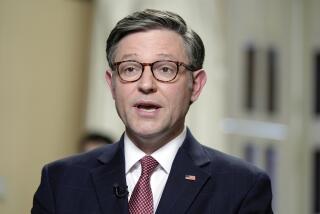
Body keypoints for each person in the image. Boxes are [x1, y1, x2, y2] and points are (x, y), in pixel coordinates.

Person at [31, 9, 273, 214]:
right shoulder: (60, 181)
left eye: (166, 69)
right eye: (130, 69)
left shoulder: (243, 187)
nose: (146, 85)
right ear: (111, 84)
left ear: (195, 86)